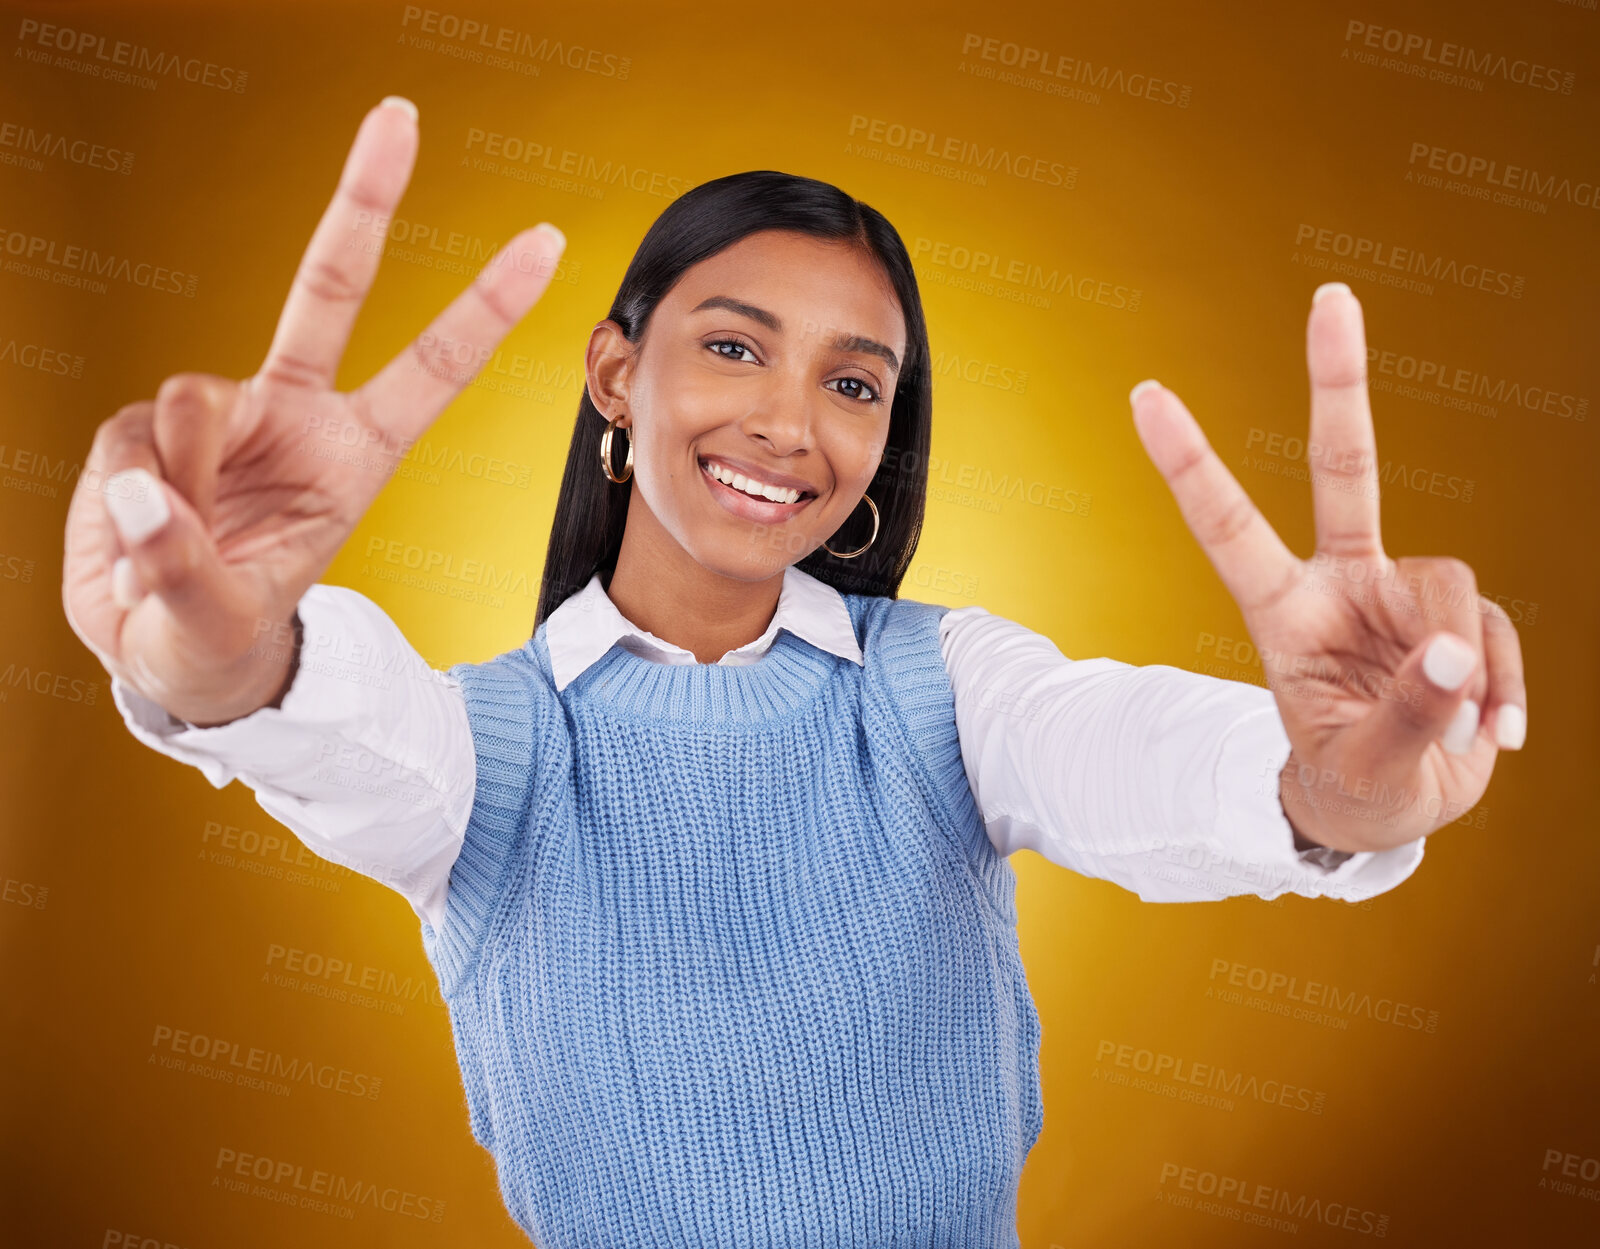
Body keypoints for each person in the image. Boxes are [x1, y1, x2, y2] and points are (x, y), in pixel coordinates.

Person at [62, 97, 1525, 1246]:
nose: (789, 421)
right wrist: (230, 642)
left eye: (851, 382)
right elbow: (329, 722)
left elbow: (1151, 757)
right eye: (733, 347)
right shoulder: (489, 753)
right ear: (615, 375)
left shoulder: (942, 692)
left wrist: (1333, 782)